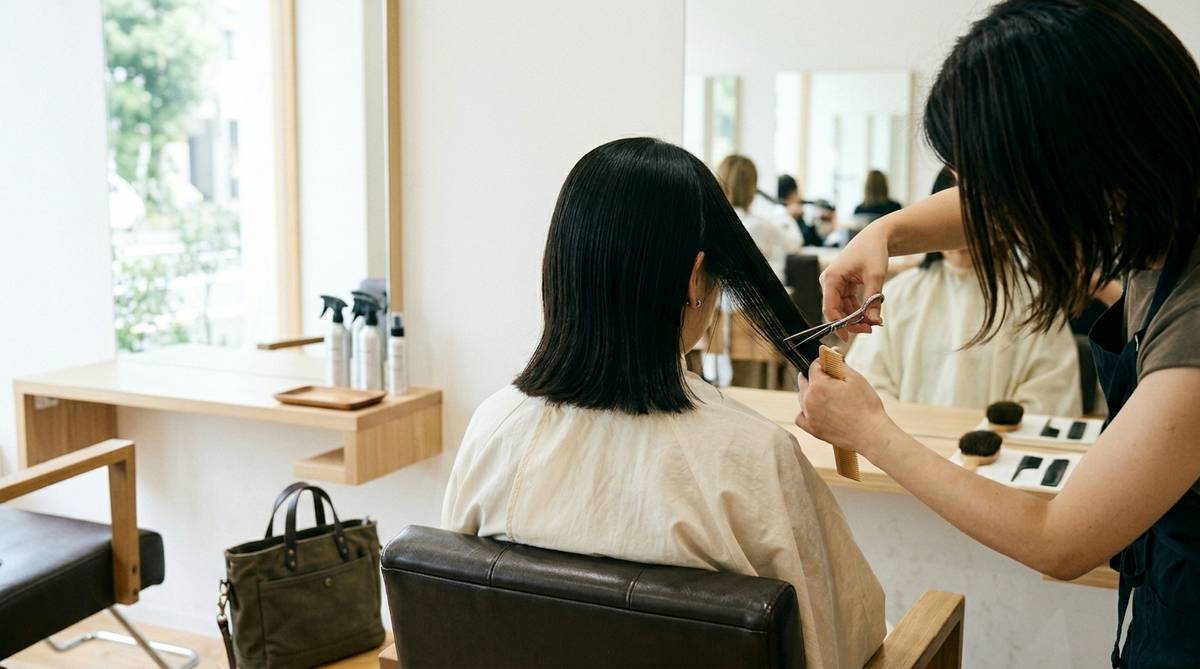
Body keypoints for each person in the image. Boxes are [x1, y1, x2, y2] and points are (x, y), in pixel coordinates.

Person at [798, 2, 1200, 666]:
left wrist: (871, 432)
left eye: (986, 179)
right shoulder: (1159, 210)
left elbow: (1062, 540)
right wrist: (885, 232)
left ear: (1072, 159)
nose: (979, 205)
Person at [444, 138, 885, 668]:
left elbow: (456, 615)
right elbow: (846, 638)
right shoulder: (752, 457)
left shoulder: (493, 428)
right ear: (696, 277)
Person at [846, 168, 1082, 415]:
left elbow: (1051, 394)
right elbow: (869, 380)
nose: (961, 236)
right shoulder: (899, 293)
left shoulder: (1033, 300)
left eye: (974, 221)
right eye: (948, 221)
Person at [716, 154, 802, 281]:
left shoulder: (712, 223)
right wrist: (786, 214)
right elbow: (795, 243)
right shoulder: (759, 226)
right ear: (752, 187)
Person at [778, 174, 826, 246]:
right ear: (792, 193)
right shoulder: (790, 213)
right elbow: (808, 240)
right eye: (796, 192)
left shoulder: (777, 212)